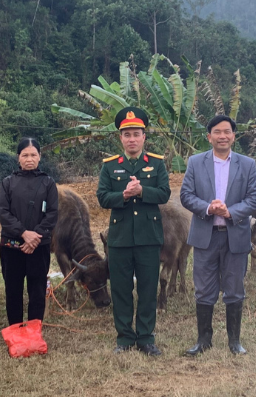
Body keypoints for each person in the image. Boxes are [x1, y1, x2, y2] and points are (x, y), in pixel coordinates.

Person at [180, 115, 256, 356]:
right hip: (206, 235)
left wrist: (230, 211)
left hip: (234, 235)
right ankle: (203, 340)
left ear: (233, 136)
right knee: (204, 289)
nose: (222, 136)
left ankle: (234, 342)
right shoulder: (196, 162)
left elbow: (255, 198)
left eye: (227, 132)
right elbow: (186, 195)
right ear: (209, 136)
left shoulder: (247, 164)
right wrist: (208, 208)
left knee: (234, 288)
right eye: (217, 132)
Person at [96, 107, 170, 356]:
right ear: (121, 138)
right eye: (127, 135)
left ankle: (146, 339)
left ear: (144, 137)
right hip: (120, 238)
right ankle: (125, 338)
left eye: (136, 134)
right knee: (121, 288)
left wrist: (142, 192)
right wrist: (123, 196)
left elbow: (164, 194)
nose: (132, 139)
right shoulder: (110, 166)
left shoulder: (156, 164)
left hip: (149, 237)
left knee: (148, 289)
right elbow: (103, 198)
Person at [0, 138, 59, 326]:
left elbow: (52, 213)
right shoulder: (7, 183)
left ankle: (34, 330)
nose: (29, 159)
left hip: (39, 246)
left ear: (40, 157)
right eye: (25, 155)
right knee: (13, 289)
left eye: (33, 155)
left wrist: (35, 237)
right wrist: (24, 233)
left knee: (37, 289)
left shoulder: (48, 183)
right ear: (18, 158)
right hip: (12, 246)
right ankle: (15, 331)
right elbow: (3, 212)